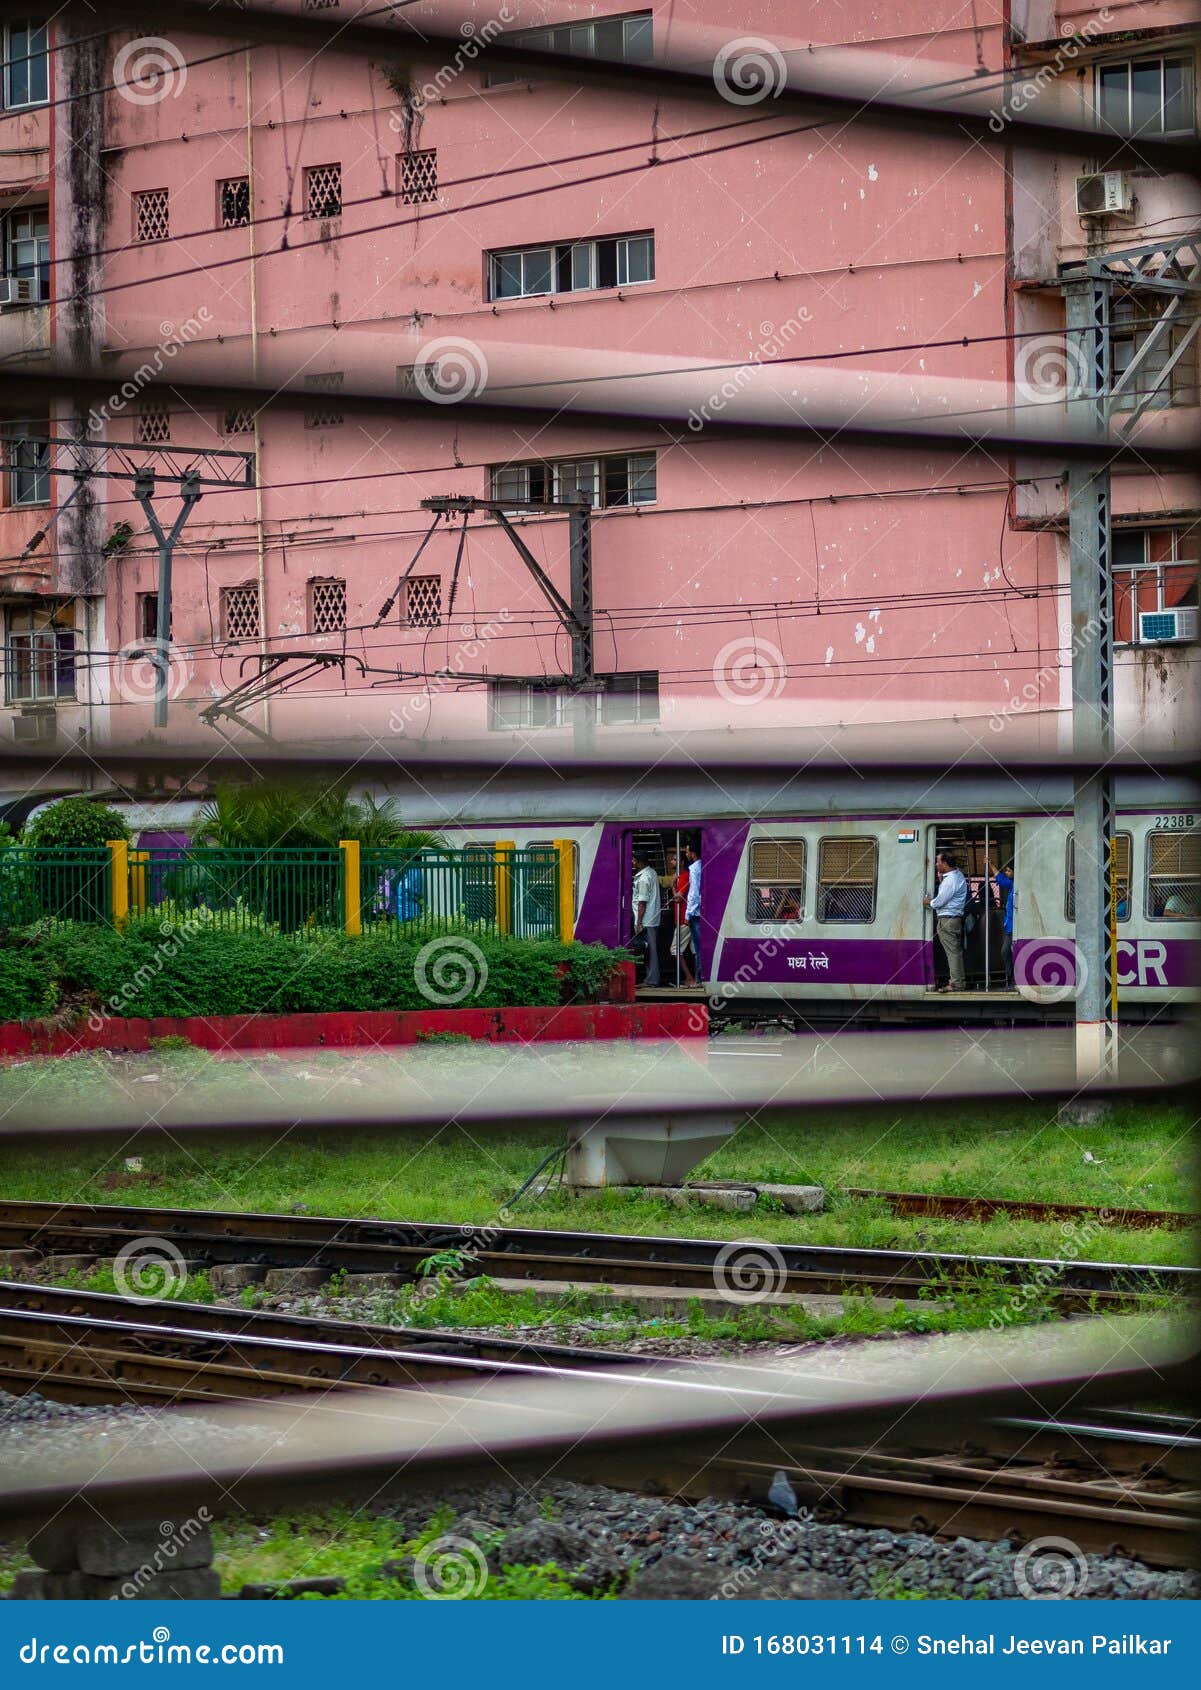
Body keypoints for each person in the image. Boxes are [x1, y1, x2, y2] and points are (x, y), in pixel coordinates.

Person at [924, 850, 968, 992]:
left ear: (944, 863)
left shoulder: (950, 881)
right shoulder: (957, 875)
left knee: (952, 953)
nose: (936, 864)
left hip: (947, 921)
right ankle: (958, 981)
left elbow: (939, 902)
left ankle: (956, 984)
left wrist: (929, 901)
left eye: (938, 862)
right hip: (953, 920)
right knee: (955, 952)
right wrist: (941, 879)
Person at [631, 848, 661, 986]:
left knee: (650, 951)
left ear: (639, 862)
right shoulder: (652, 872)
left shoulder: (643, 878)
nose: (632, 862)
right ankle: (651, 978)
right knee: (650, 949)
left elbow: (642, 903)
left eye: (634, 860)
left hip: (646, 919)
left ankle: (651, 980)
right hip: (652, 918)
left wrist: (639, 923)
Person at [666, 848, 695, 986]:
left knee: (675, 950)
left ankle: (689, 978)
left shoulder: (684, 875)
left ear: (682, 862)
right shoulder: (682, 875)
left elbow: (678, 898)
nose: (672, 861)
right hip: (683, 918)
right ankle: (694, 978)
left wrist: (672, 886)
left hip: (684, 919)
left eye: (675, 859)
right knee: (691, 950)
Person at [992, 859, 1015, 990]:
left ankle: (1013, 981)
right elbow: (999, 879)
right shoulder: (1012, 884)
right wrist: (991, 864)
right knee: (1006, 952)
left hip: (1013, 926)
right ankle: (1011, 981)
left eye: (1008, 870)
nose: (1006, 873)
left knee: (1006, 951)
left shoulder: (1015, 885)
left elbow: (1000, 878)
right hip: (1009, 926)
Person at [684, 836, 703, 981]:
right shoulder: (702, 865)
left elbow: (694, 893)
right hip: (700, 910)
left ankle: (699, 978)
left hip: (696, 913)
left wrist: (688, 913)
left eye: (687, 852)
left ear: (693, 853)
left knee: (698, 947)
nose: (686, 854)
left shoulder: (694, 868)